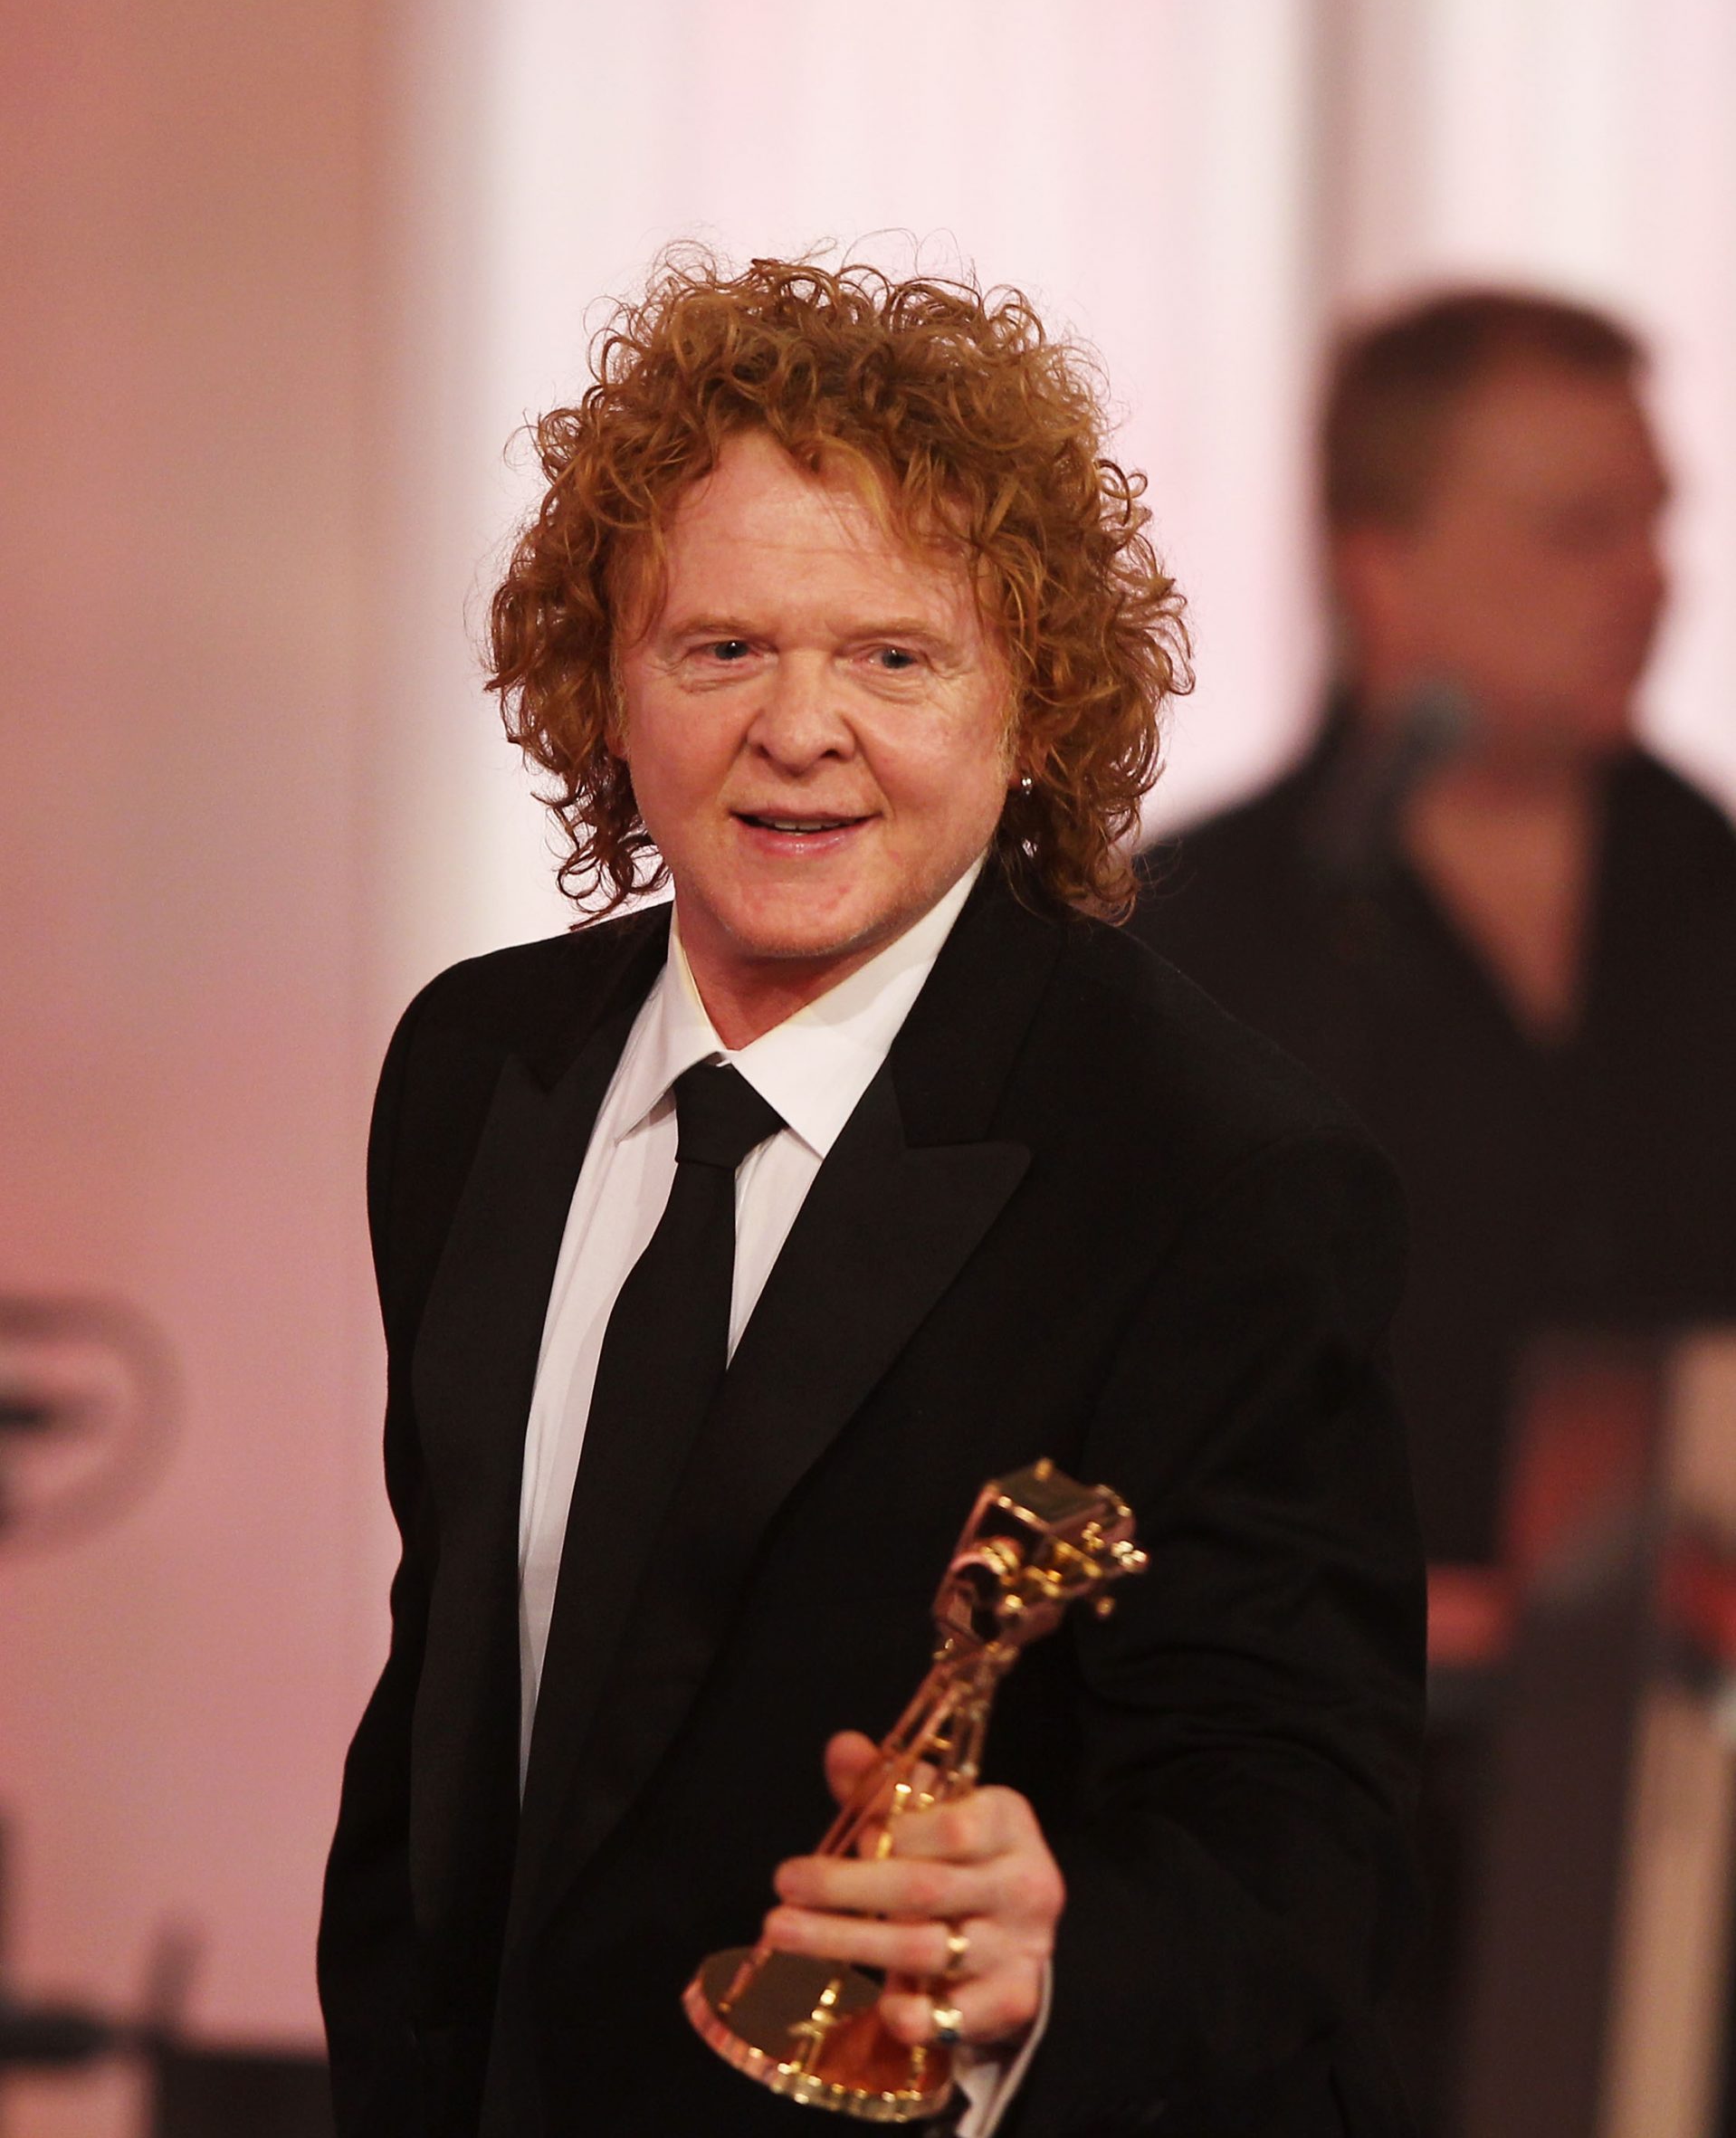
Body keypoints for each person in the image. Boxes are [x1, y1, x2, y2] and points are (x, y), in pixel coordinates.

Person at [318, 254, 1425, 2138]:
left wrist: (1041, 1967)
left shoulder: (1215, 1174)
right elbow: (459, 1710)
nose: (798, 726)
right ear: (606, 683)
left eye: (892, 657)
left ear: (1035, 699)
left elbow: (1298, 1839)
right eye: (721, 649)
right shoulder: (476, 1070)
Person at [1131, 286, 1736, 2130]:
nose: (1647, 577)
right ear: (1377, 569)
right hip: (1327, 1871)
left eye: (1655, 520)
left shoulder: (1712, 889)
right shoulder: (1194, 943)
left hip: (1690, 1844)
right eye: (1576, 528)